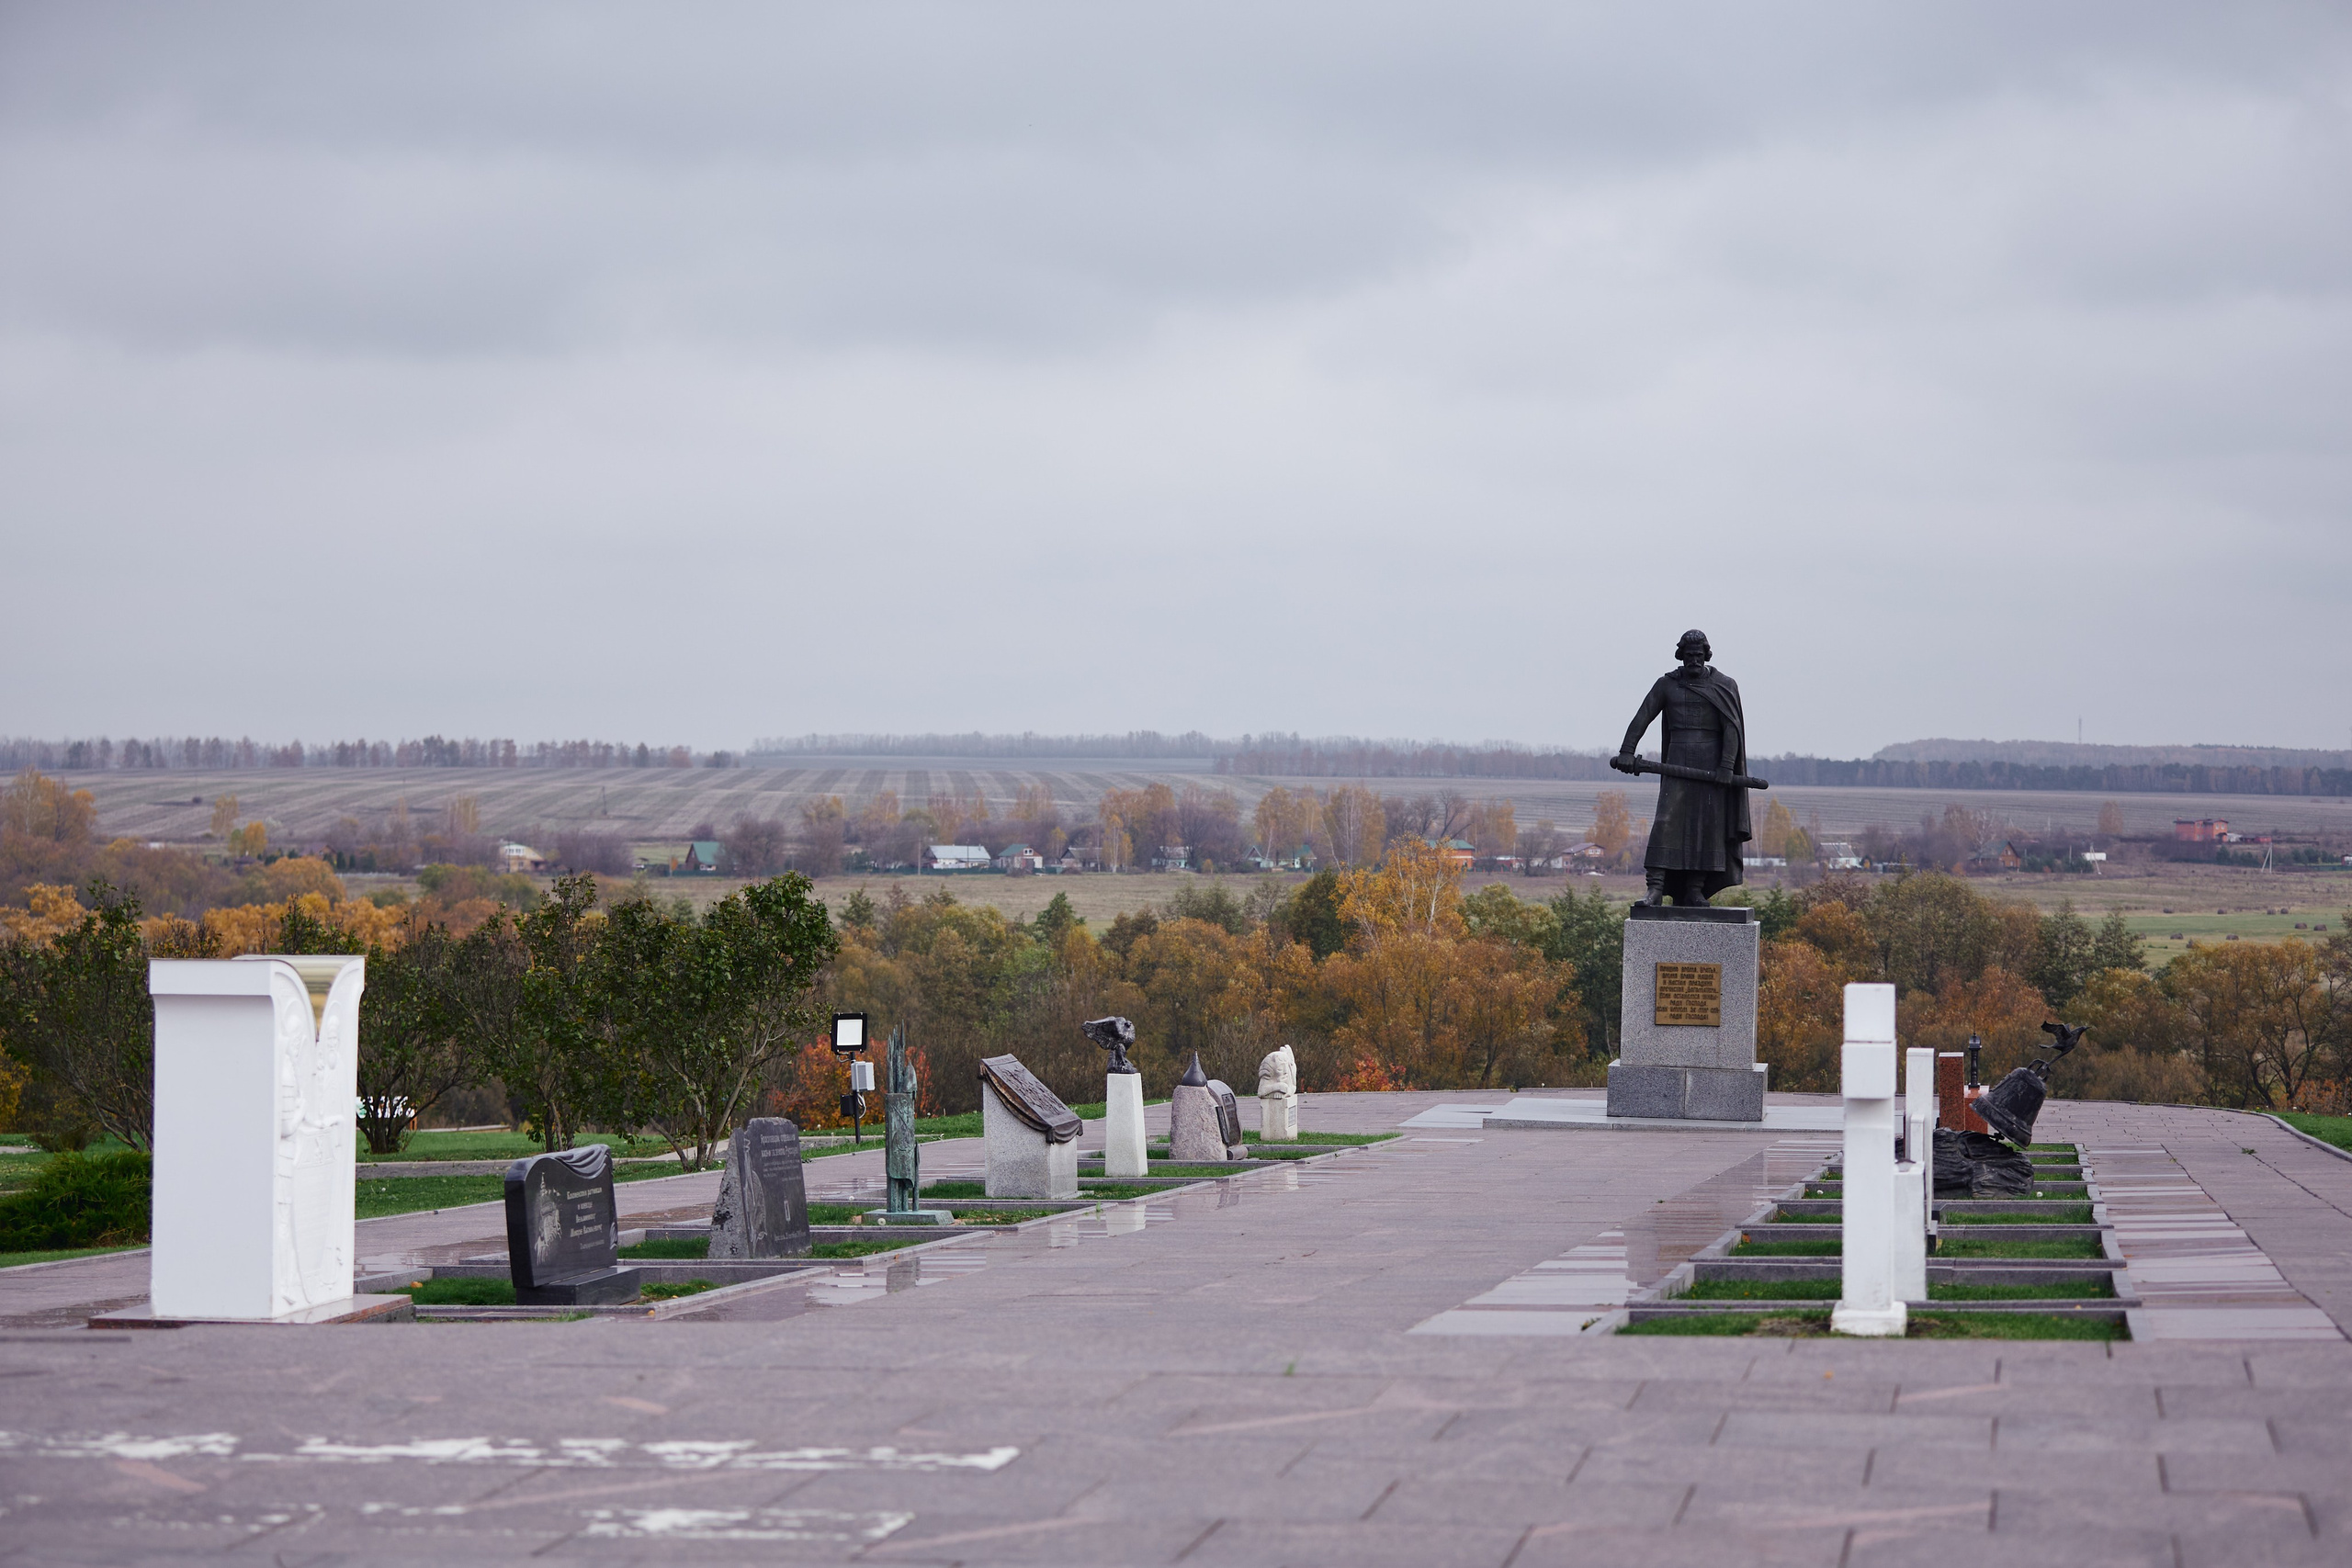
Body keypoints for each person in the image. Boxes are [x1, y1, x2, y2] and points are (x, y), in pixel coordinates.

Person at [1615, 629, 1753, 906]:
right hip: (1677, 761)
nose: (1694, 660)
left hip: (1711, 766)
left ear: (1707, 655)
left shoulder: (1724, 685)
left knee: (1707, 826)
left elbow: (1732, 729)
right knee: (1666, 823)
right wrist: (1627, 751)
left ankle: (1695, 888)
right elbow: (1642, 717)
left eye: (1698, 655)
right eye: (1689, 655)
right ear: (1681, 656)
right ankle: (1655, 888)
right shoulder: (1666, 685)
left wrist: (1727, 766)